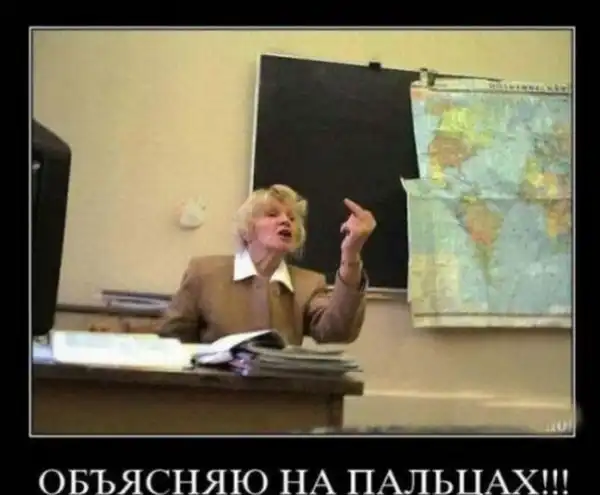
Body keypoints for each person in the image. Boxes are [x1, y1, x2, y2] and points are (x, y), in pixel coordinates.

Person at [158, 184, 376, 345]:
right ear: (247, 229)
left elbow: (337, 332)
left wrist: (351, 254)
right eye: (272, 214)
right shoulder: (204, 273)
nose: (285, 221)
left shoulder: (308, 283)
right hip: (215, 390)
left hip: (281, 392)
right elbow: (172, 339)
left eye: (292, 218)